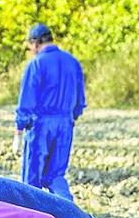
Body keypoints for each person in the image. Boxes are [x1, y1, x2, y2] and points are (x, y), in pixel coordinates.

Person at [15, 23, 86, 201]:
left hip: (41, 125)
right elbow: (80, 101)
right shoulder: (73, 62)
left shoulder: (37, 64)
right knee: (56, 177)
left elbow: (26, 101)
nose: (30, 50)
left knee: (31, 181)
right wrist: (71, 118)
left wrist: (19, 131)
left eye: (30, 46)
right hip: (65, 125)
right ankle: (69, 217)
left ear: (35, 42)